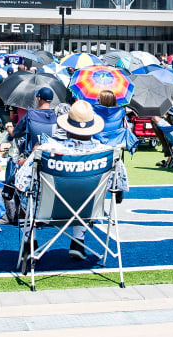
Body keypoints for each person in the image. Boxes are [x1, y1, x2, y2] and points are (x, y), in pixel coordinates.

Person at [15, 100, 128, 260]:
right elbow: (118, 187)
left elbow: (21, 183)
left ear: (66, 127)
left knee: (24, 193)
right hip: (89, 210)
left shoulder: (47, 151)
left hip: (48, 211)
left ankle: (29, 243)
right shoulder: (108, 153)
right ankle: (78, 241)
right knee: (84, 191)